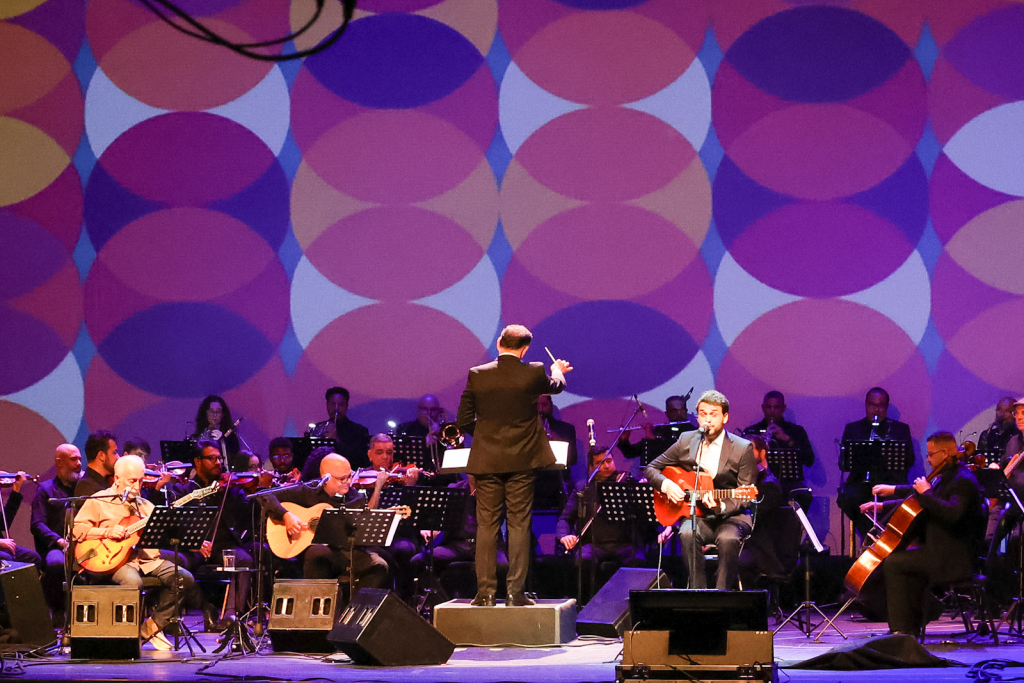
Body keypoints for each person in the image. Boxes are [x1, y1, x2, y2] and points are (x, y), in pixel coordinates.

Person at [456, 324, 572, 606]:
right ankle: (514, 594)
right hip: (522, 460)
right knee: (519, 525)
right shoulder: (532, 371)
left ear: (499, 344)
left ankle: (484, 594)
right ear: (525, 349)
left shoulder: (478, 374)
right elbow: (556, 385)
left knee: (487, 526)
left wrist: (486, 437)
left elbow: (463, 419)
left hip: (487, 461)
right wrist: (556, 368)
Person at [859, 432, 986, 636]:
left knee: (893, 563)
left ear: (945, 453)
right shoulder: (947, 476)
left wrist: (927, 493)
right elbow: (916, 500)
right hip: (939, 550)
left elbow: (952, 513)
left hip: (953, 558)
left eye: (931, 454)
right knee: (899, 559)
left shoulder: (964, 480)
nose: (928, 459)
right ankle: (910, 626)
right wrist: (882, 505)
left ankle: (901, 631)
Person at [73, 455, 196, 650]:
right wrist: (106, 531)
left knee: (183, 577)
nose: (138, 486)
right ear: (117, 478)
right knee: (133, 582)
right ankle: (127, 637)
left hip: (145, 560)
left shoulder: (146, 506)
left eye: (141, 480)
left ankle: (152, 626)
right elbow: (77, 529)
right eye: (132, 481)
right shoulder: (99, 500)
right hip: (113, 561)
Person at [646, 390, 756, 590]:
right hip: (696, 515)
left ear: (725, 417)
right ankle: (699, 594)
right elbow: (651, 468)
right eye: (703, 414)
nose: (707, 419)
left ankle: (721, 596)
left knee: (728, 539)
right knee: (687, 534)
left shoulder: (743, 448)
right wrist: (667, 485)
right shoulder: (687, 440)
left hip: (731, 517)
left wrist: (721, 505)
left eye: (713, 414)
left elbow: (745, 496)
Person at [263, 454, 389, 588]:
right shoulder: (309, 490)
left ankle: (356, 607)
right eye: (342, 478)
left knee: (380, 566)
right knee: (318, 553)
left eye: (349, 476)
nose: (348, 481)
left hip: (344, 553)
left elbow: (362, 528)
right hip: (312, 553)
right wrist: (286, 516)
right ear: (326, 478)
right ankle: (316, 606)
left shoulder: (355, 497)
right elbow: (266, 496)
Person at [168, 439, 253, 631]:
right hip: (193, 548)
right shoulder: (185, 490)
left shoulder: (230, 488)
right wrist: (192, 542)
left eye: (220, 458)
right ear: (198, 462)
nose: (218, 462)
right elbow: (174, 524)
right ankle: (204, 606)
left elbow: (247, 511)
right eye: (212, 458)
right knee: (175, 565)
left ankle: (231, 616)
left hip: (223, 546)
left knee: (244, 560)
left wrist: (248, 490)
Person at [556, 447, 643, 597]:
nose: (607, 466)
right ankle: (586, 606)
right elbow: (565, 518)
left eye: (609, 461)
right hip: (594, 545)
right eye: (600, 463)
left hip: (624, 543)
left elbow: (643, 517)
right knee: (583, 561)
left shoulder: (626, 483)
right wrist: (564, 536)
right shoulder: (582, 488)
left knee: (639, 561)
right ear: (591, 467)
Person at [410, 475, 508, 597]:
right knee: (418, 561)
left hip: (487, 545)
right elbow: (440, 516)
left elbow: (500, 517)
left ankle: (491, 603)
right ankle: (442, 601)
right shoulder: (455, 488)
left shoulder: (495, 490)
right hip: (457, 545)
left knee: (502, 566)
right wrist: (432, 528)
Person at [837, 387, 915, 537]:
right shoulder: (853, 428)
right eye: (873, 405)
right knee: (847, 499)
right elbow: (843, 463)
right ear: (866, 405)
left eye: (881, 405)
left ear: (886, 406)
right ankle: (874, 536)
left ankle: (877, 538)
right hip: (860, 482)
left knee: (897, 500)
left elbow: (909, 461)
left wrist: (888, 447)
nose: (877, 409)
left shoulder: (900, 429)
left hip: (890, 482)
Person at [31, 444, 83, 626]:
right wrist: (59, 541)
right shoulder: (45, 490)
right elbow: (37, 524)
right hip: (58, 547)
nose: (79, 463)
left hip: (85, 544)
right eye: (73, 459)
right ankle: (58, 612)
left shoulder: (84, 488)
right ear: (59, 462)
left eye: (79, 459)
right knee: (55, 564)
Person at [737, 437, 790, 588]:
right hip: (749, 544)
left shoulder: (769, 485)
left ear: (762, 453)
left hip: (762, 550)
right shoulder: (750, 481)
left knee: (732, 559)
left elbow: (754, 520)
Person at [742, 391, 815, 497]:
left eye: (776, 407)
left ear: (783, 408)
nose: (772, 412)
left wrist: (787, 439)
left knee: (803, 495)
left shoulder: (796, 431)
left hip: (789, 482)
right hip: (759, 481)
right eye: (768, 407)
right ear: (763, 408)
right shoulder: (752, 431)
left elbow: (809, 460)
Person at [617, 395, 697, 464]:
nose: (679, 413)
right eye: (674, 410)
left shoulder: (694, 432)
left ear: (686, 411)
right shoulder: (659, 430)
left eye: (682, 410)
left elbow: (673, 452)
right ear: (667, 413)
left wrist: (652, 439)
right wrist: (624, 440)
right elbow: (630, 453)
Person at [306, 387, 371, 468]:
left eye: (341, 405)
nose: (336, 408)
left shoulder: (360, 431)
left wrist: (335, 439)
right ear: (327, 405)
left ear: (346, 406)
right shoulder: (317, 428)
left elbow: (360, 460)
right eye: (333, 404)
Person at [534, 394, 579, 511]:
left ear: (551, 406)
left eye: (544, 405)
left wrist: (557, 441)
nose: (540, 409)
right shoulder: (525, 431)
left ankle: (564, 527)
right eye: (536, 405)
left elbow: (573, 459)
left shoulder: (566, 429)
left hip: (558, 477)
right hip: (534, 477)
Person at [75, 431, 120, 499]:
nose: (118, 457)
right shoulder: (86, 487)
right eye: (114, 452)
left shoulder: (108, 481)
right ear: (101, 456)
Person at [978, 397, 1020, 461]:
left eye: (1007, 411)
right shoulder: (986, 434)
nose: (1002, 414)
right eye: (999, 410)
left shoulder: (1019, 436)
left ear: (1015, 414)